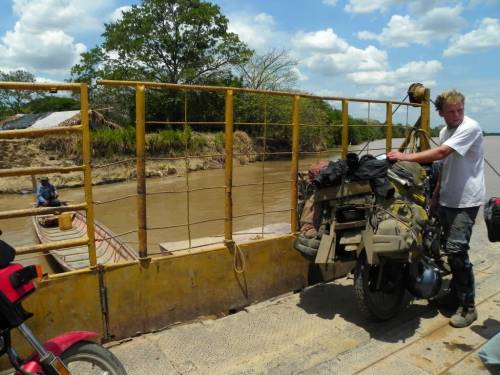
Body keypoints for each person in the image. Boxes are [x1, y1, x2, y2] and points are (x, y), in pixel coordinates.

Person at [387, 89, 485, 328]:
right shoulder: (444, 130)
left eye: (460, 110)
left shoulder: (470, 127)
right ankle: (453, 295)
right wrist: (434, 195)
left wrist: (406, 157)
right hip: (446, 198)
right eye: (450, 111)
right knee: (442, 247)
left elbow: (442, 152)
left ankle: (468, 306)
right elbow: (443, 165)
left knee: (456, 250)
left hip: (467, 200)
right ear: (440, 113)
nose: (456, 115)